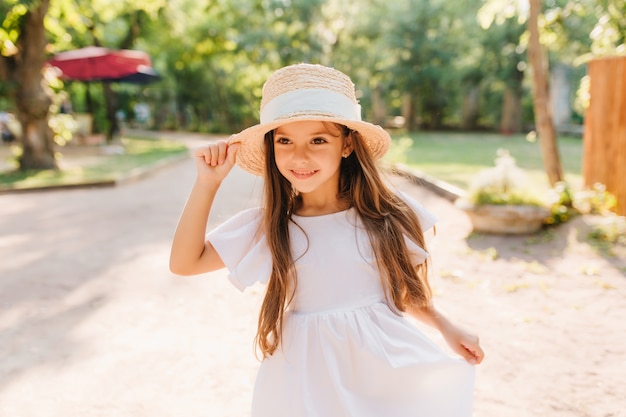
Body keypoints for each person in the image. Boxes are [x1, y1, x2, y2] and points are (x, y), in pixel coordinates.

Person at [170, 63, 484, 416]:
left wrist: (445, 326)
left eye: (318, 140)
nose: (299, 156)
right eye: (284, 140)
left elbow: (399, 291)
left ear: (347, 144)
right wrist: (207, 184)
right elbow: (184, 263)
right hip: (304, 380)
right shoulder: (271, 226)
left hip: (379, 371)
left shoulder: (384, 214)